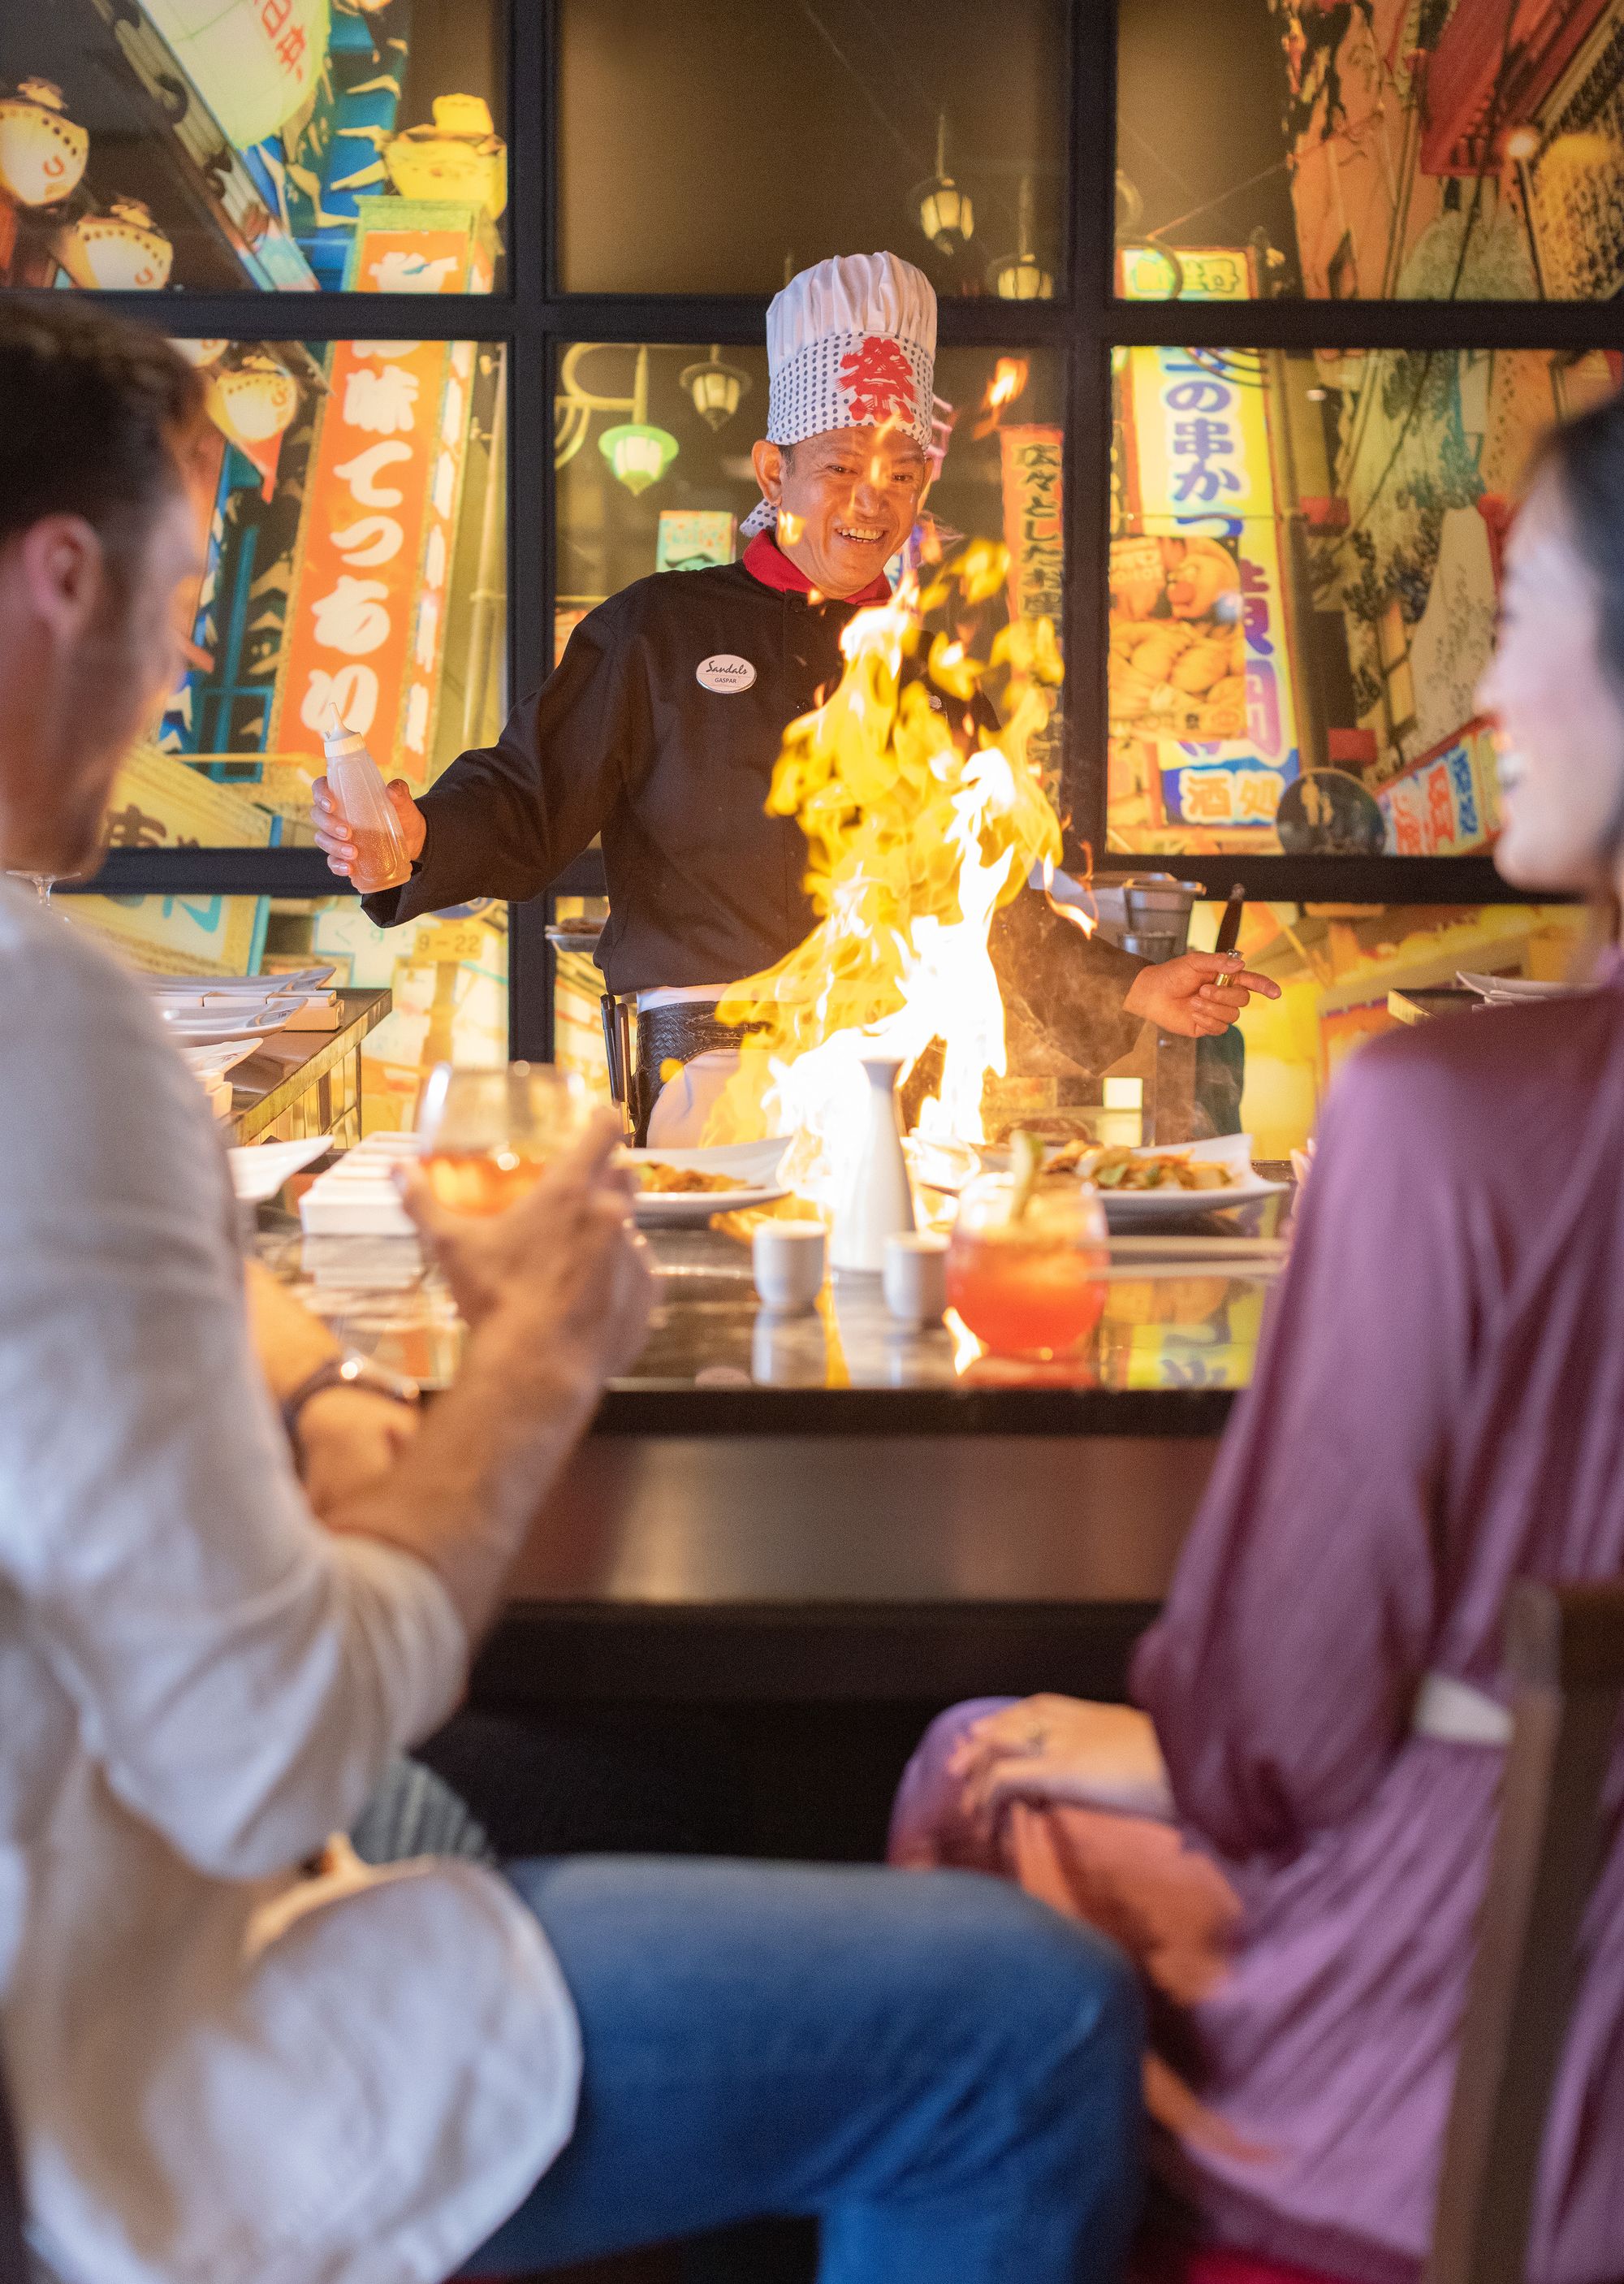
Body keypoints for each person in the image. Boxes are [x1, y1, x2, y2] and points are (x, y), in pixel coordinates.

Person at [0, 299, 1142, 2284]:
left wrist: (325, 1395)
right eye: (190, 591)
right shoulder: (57, 1021)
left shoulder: (935, 660)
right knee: (1027, 2019)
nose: (193, 650)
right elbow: (269, 1732)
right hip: (127, 2037)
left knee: (695, 1768)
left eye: (904, 456)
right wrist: (531, 1356)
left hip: (94, 1838)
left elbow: (1001, 902)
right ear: (63, 572)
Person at [888, 385, 1624, 2284]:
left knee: (982, 1765)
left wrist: (1164, 1745)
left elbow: (1275, 1720)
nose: (1479, 692)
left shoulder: (1452, 1113)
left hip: (1492, 2051)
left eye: (1522, 604)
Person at [312, 251, 1276, 1143]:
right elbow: (527, 801)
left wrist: (1135, 986)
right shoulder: (653, 630)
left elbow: (983, 899)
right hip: (707, 1067)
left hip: (894, 1062)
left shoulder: (931, 674)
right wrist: (419, 838)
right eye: (842, 470)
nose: (872, 502)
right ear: (775, 472)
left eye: (900, 475)